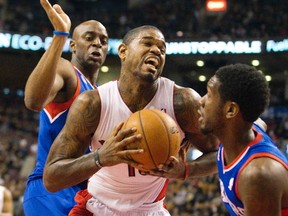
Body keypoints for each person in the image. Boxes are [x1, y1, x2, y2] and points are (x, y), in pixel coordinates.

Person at [43, 25, 219, 215]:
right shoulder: (93, 103)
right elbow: (52, 178)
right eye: (147, 43)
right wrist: (100, 157)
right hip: (97, 208)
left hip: (151, 210)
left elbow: (218, 154)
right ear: (123, 51)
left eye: (162, 49)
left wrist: (185, 170)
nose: (156, 51)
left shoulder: (183, 102)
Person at [23, 0, 108, 215]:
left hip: (89, 194)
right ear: (73, 45)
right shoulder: (67, 71)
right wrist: (60, 36)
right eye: (89, 38)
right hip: (52, 189)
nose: (97, 43)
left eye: (103, 40)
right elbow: (33, 100)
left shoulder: (102, 94)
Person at [198, 63, 288, 215]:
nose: (201, 101)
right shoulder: (240, 134)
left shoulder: (258, 176)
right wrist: (184, 170)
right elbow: (260, 122)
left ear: (231, 110)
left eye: (209, 94)